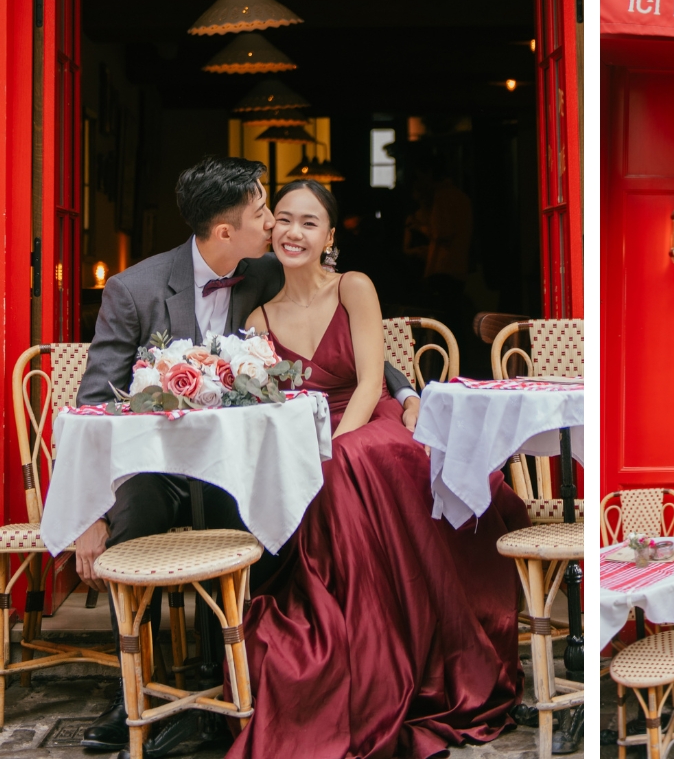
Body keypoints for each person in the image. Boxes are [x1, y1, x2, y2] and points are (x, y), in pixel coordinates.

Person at [72, 157, 420, 754]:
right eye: (265, 213)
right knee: (135, 516)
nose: (275, 224)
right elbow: (94, 402)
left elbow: (335, 335)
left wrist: (407, 388)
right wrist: (87, 511)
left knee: (263, 513)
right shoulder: (135, 289)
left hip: (240, 460)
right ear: (226, 230)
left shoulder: (265, 273)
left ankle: (238, 674)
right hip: (163, 465)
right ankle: (133, 686)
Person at [227, 180, 529, 759]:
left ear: (330, 237)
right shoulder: (258, 319)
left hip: (370, 423)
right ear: (271, 233)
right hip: (310, 441)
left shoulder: (353, 287)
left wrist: (332, 450)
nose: (294, 231)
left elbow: (369, 380)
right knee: (332, 476)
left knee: (349, 466)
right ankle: (356, 650)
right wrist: (311, 456)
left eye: (309, 222)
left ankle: (402, 647)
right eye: (284, 219)